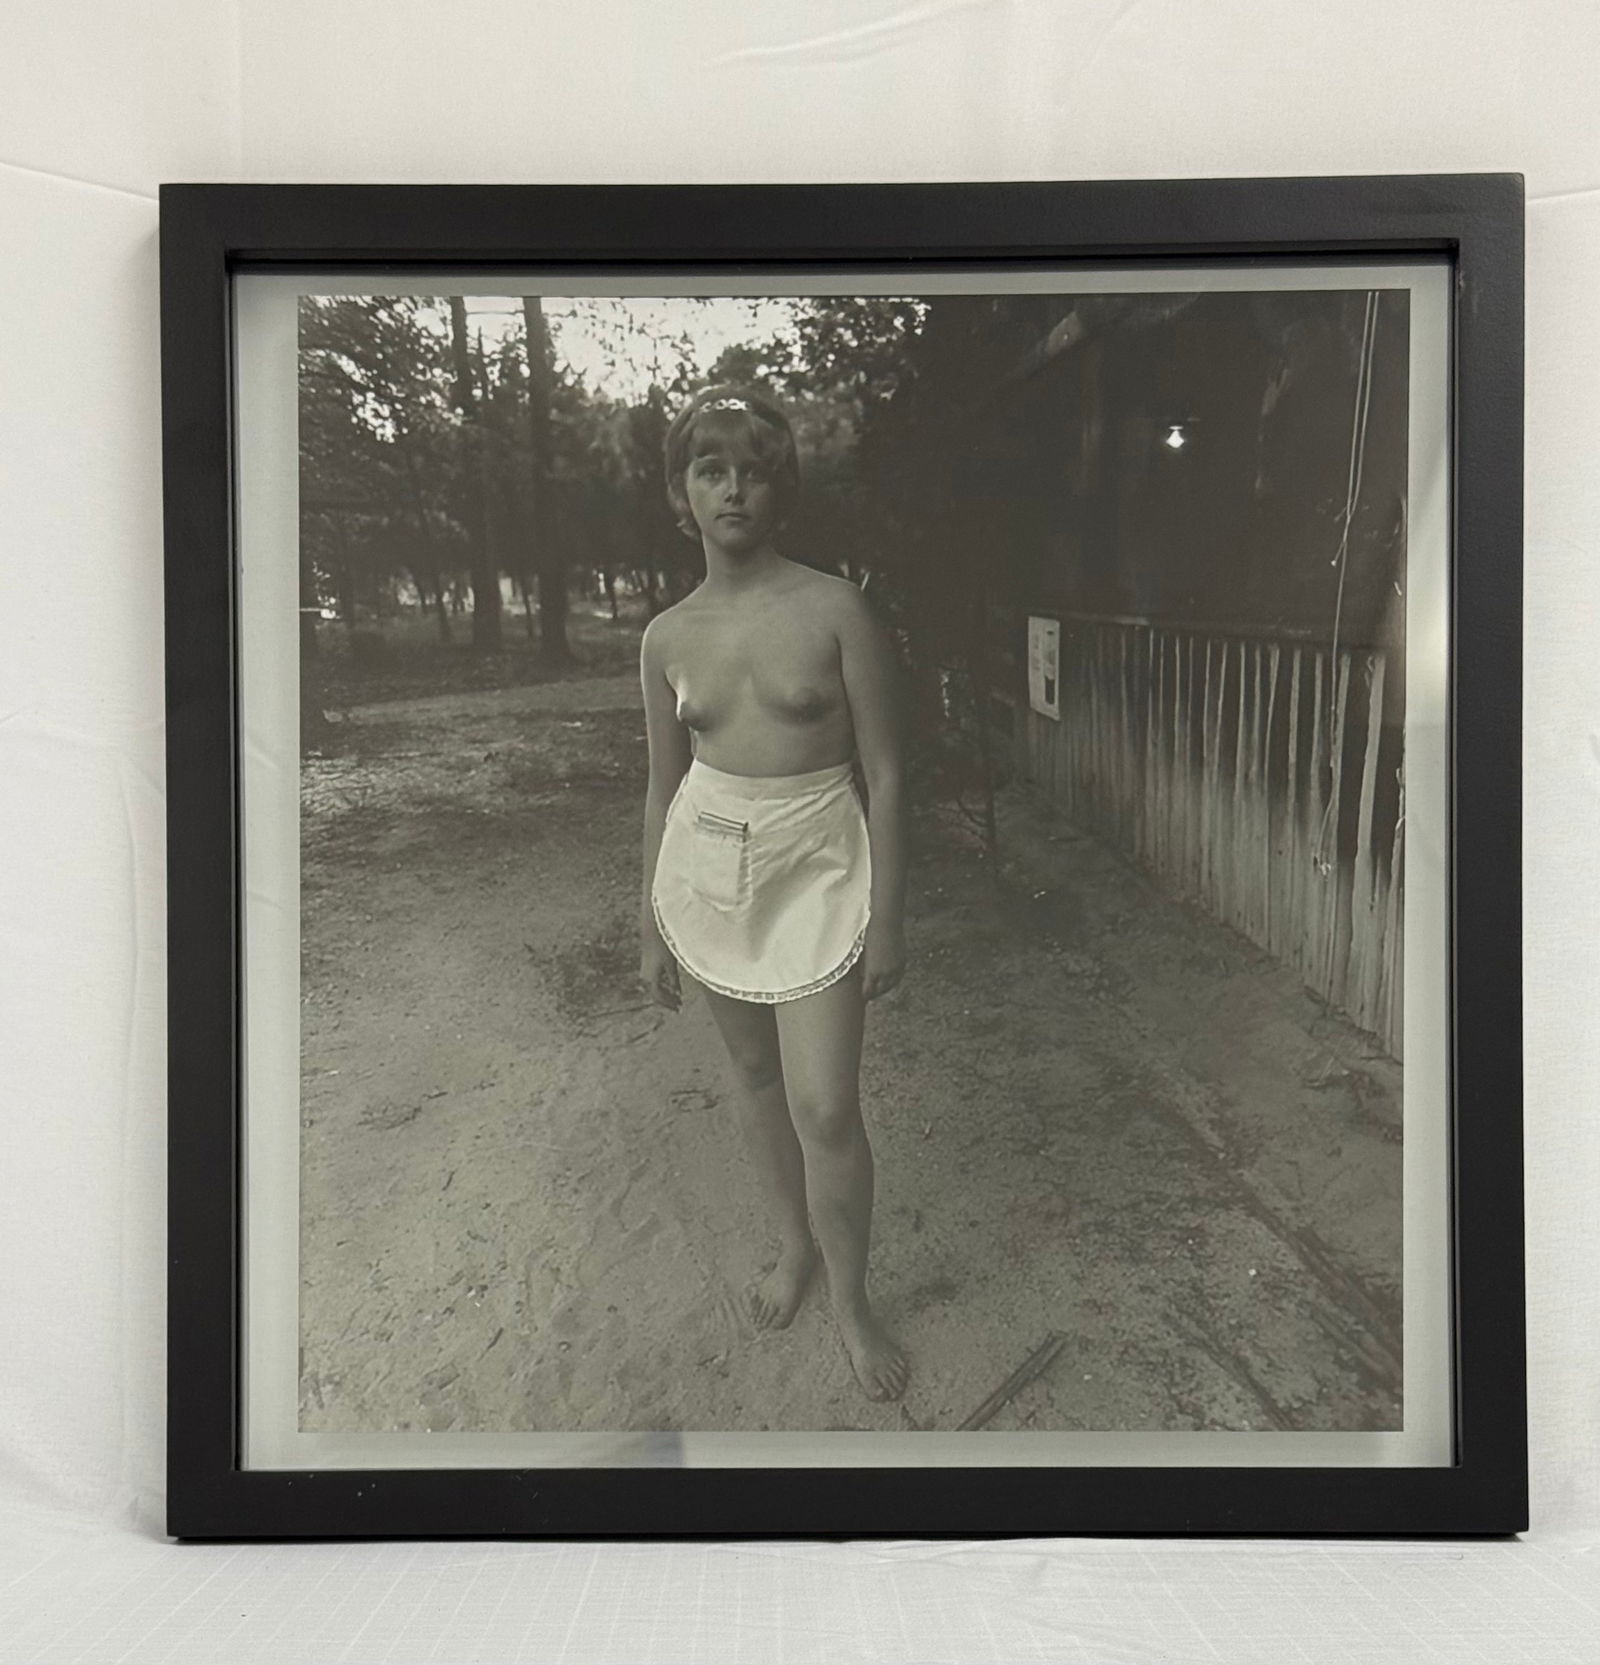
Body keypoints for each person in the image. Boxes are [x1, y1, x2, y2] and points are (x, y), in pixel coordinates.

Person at [637, 384, 910, 1403]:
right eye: (710, 470)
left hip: (819, 862)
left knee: (826, 1104)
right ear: (682, 496)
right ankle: (793, 1247)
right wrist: (650, 922)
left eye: (751, 468)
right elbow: (662, 784)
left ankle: (853, 1300)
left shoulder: (834, 607)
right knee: (754, 1082)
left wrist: (889, 914)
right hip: (707, 866)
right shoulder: (666, 635)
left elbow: (885, 771)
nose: (733, 488)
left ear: (778, 489)